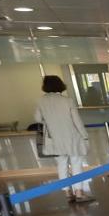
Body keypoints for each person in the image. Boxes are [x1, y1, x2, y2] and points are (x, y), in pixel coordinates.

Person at [34, 75, 93, 203]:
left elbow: (38, 119)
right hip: (71, 136)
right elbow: (76, 121)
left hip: (54, 138)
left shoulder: (41, 101)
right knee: (76, 164)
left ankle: (67, 192)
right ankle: (79, 193)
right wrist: (84, 135)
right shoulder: (67, 101)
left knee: (61, 165)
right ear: (60, 84)